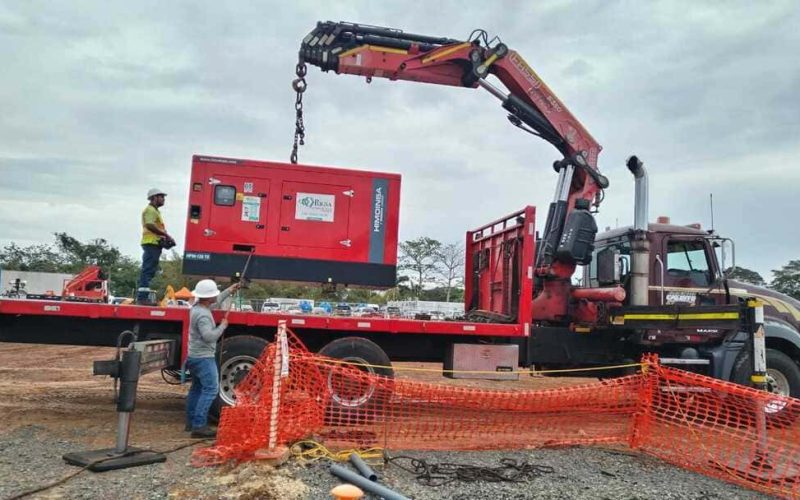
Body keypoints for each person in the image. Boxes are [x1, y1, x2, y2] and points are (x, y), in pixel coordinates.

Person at [185, 278, 240, 437]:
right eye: (214, 294)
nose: (216, 296)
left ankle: (191, 422)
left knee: (196, 388)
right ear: (208, 297)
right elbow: (209, 337)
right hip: (204, 358)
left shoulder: (197, 308)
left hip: (194, 356)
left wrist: (229, 290)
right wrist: (222, 326)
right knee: (210, 389)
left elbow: (215, 303)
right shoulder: (203, 315)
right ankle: (199, 426)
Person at [137, 188, 174, 304]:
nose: (163, 199)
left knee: (150, 270)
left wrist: (165, 236)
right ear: (153, 198)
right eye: (161, 197)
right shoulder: (150, 210)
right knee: (148, 270)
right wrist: (165, 234)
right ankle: (142, 298)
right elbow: (149, 225)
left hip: (154, 243)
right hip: (151, 243)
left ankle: (143, 296)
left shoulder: (155, 211)